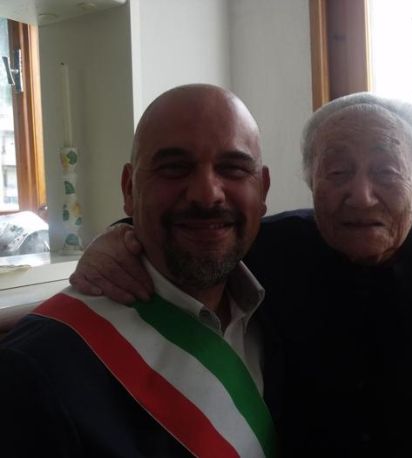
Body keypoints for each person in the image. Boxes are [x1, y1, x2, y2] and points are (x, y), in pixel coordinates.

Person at [69, 92, 412, 457]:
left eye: (386, 172)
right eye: (337, 172)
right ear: (310, 181)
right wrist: (120, 237)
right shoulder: (270, 248)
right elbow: (191, 230)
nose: (361, 196)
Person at [0, 84, 277, 457]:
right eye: (174, 168)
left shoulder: (291, 298)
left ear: (263, 190)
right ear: (129, 189)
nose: (206, 194)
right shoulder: (35, 366)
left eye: (233, 168)